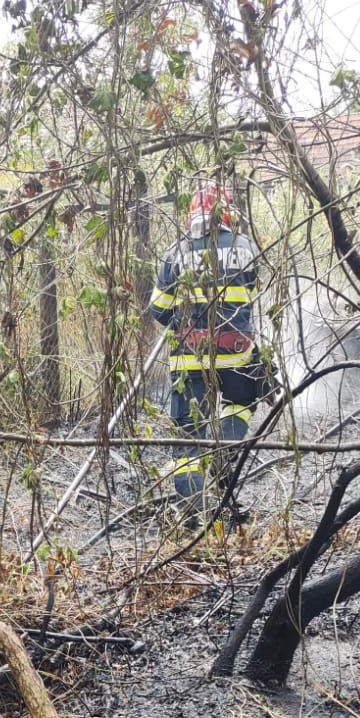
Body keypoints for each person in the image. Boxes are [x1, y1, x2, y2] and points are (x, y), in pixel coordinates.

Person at [148, 181, 270, 522]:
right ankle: (224, 451)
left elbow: (158, 309)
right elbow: (250, 291)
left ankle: (191, 512)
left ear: (192, 214)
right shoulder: (246, 247)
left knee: (189, 434)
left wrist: (182, 317)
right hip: (236, 355)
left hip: (189, 358)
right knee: (241, 403)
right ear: (228, 214)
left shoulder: (176, 252)